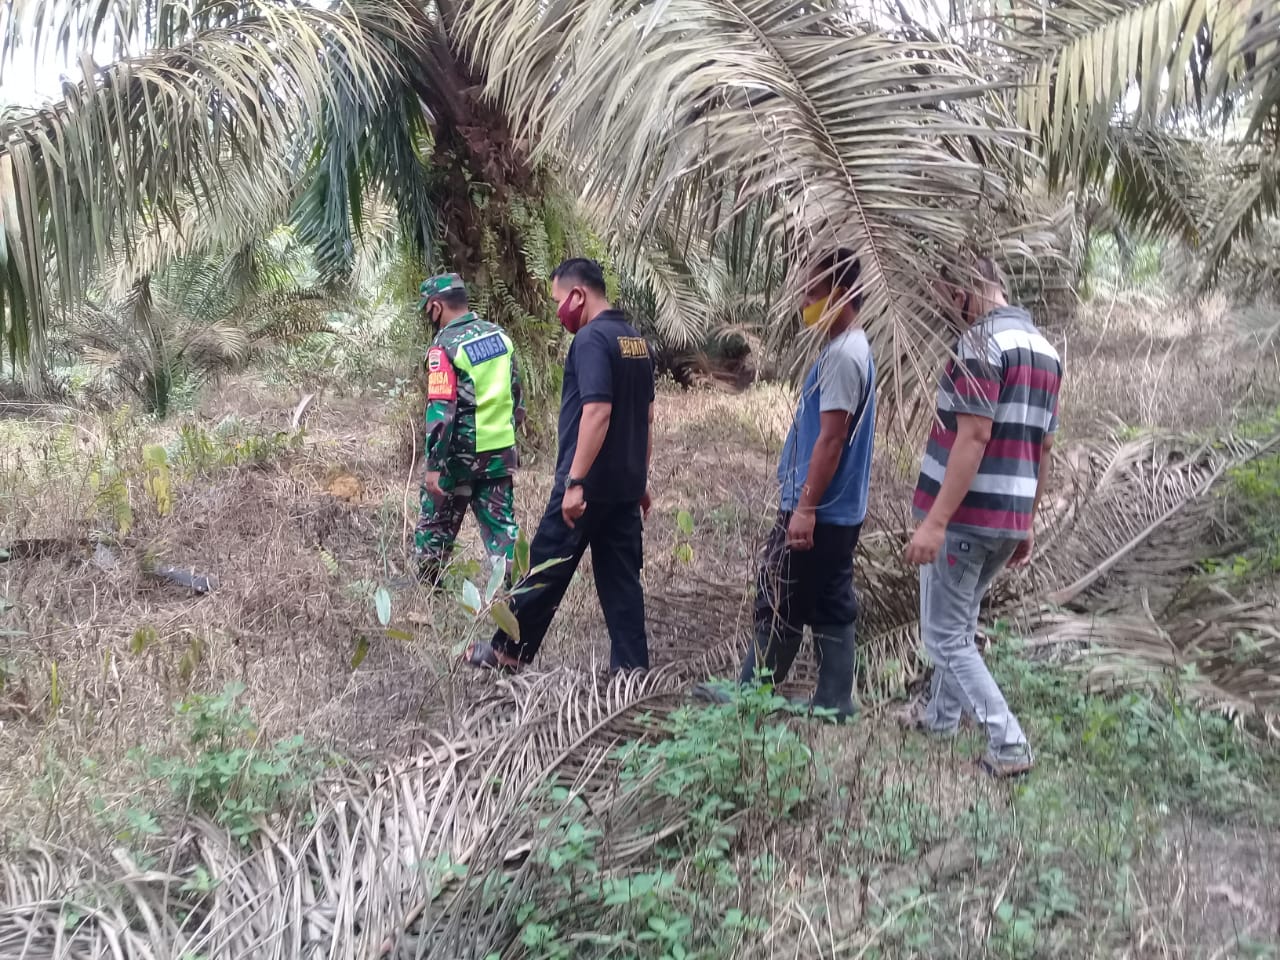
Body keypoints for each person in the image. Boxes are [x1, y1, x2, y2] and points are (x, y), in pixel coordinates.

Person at [901, 254, 1062, 778]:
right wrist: (1028, 520)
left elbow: (973, 436)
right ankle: (941, 719)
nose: (944, 307)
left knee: (944, 636)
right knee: (959, 627)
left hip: (967, 519)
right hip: (1007, 519)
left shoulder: (979, 344)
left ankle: (1009, 742)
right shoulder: (1045, 351)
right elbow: (1044, 447)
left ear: (967, 287)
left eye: (945, 293)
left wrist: (935, 522)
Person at [697, 249, 876, 720]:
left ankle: (752, 694)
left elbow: (832, 439)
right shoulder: (853, 348)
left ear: (843, 294)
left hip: (822, 507)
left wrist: (805, 507)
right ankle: (836, 698)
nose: (803, 302)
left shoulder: (842, 357)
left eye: (813, 293)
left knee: (780, 595)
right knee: (832, 596)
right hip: (842, 509)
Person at [463, 258, 656, 674]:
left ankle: (506, 652)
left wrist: (576, 481)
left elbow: (598, 411)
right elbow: (647, 417)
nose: (557, 311)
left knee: (545, 567)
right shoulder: (634, 339)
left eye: (558, 300)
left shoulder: (590, 340)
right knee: (622, 582)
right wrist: (640, 478)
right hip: (623, 487)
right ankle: (632, 668)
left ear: (579, 295)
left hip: (586, 488)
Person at [413, 273, 525, 585]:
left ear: (437, 307)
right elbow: (516, 397)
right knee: (503, 531)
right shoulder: (499, 337)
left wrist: (434, 465)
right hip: (499, 451)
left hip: (458, 458)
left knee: (434, 528)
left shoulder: (444, 348)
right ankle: (521, 597)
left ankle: (428, 594)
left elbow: (441, 411)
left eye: (427, 310)